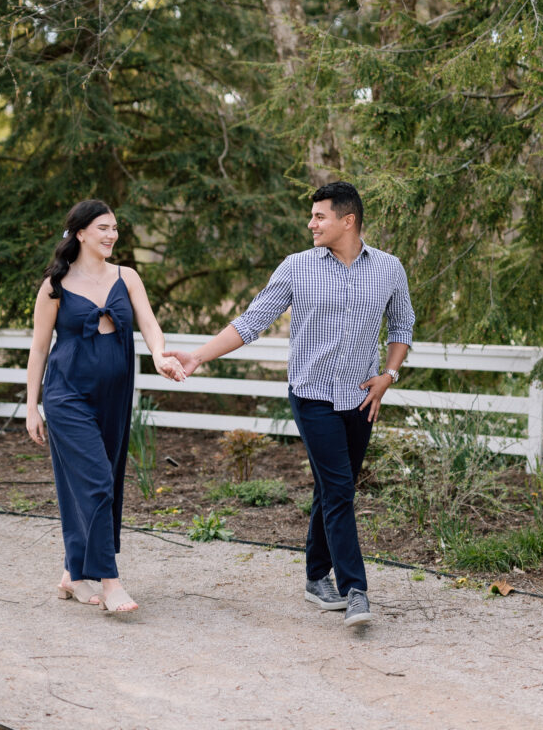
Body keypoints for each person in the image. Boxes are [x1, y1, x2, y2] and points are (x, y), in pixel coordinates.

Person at [165, 181, 414, 627]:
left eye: (320, 216)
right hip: (312, 395)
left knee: (331, 487)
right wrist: (198, 355)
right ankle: (354, 589)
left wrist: (388, 377)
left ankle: (315, 576)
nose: (311, 223)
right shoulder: (297, 267)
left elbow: (402, 326)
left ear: (348, 220)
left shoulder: (389, 269)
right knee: (340, 489)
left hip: (359, 398)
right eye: (312, 216)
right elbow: (252, 320)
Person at [26, 199, 185, 614]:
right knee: (96, 480)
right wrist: (31, 406)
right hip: (66, 395)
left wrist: (159, 354)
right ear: (80, 233)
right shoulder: (54, 285)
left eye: (114, 228)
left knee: (105, 482)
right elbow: (39, 348)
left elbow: (149, 323)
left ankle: (72, 576)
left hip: (115, 396)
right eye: (103, 228)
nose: (112, 235)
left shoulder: (127, 277)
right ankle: (110, 582)